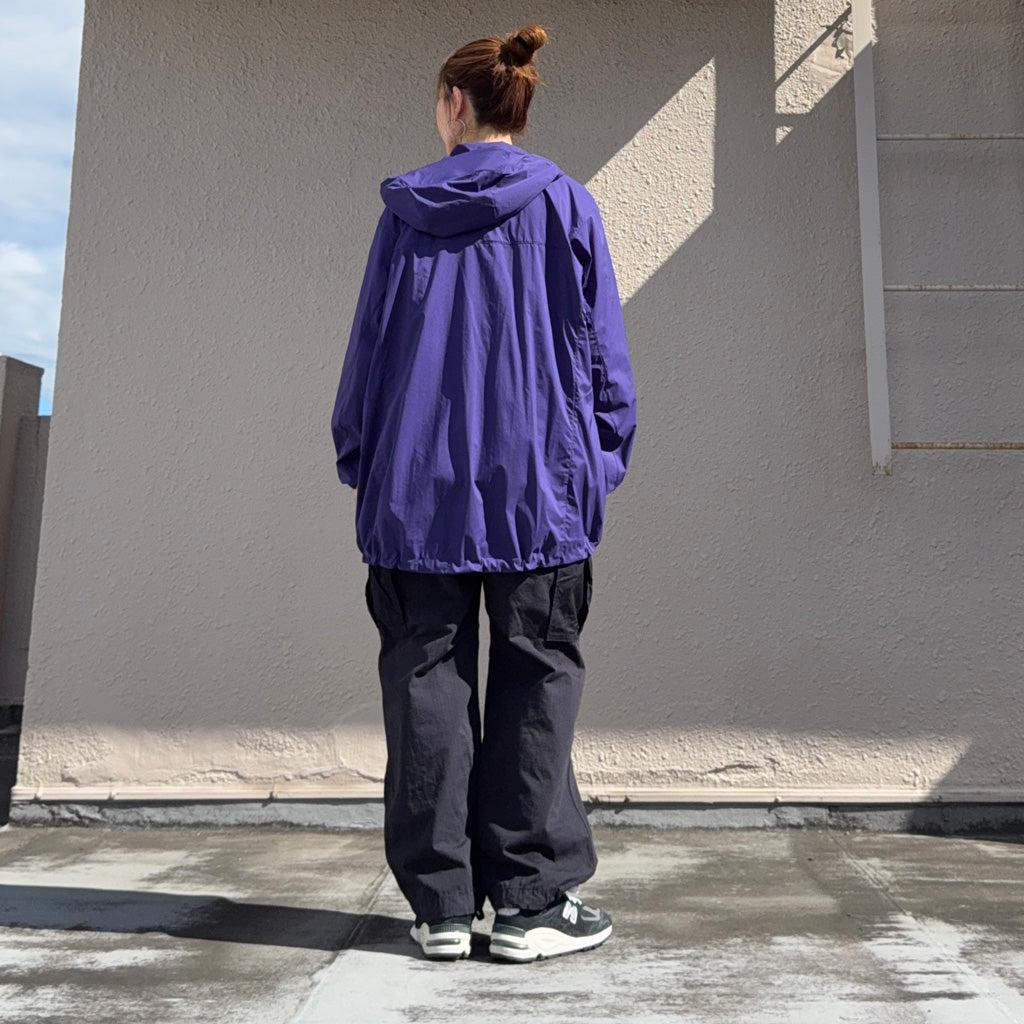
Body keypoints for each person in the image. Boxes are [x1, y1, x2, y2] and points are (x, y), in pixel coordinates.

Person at [330, 24, 636, 962]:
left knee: (425, 678)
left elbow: (370, 355)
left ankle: (442, 909)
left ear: (455, 102)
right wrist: (598, 463)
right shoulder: (568, 204)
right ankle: (534, 906)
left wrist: (363, 461)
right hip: (541, 492)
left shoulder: (404, 215)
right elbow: (603, 360)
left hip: (415, 498)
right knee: (537, 679)